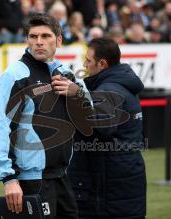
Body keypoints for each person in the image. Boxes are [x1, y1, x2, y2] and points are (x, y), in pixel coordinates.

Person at [0, 13, 88, 219]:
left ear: (59, 40)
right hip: (30, 181)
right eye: (33, 37)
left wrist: (77, 94)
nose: (39, 42)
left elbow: (90, 119)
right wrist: (9, 179)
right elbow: (0, 127)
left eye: (45, 36)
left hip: (62, 176)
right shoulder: (15, 75)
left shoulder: (67, 73)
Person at [67, 38, 147, 219]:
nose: (84, 64)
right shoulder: (122, 84)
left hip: (111, 184)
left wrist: (77, 95)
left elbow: (101, 129)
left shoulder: (109, 90)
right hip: (125, 176)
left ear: (102, 64)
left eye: (88, 60)